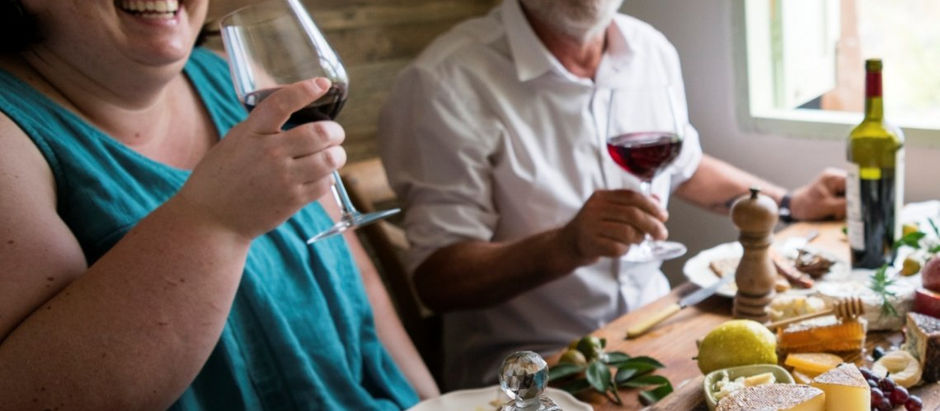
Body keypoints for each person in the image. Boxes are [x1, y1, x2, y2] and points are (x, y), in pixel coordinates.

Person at [379, 0, 846, 389]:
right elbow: (438, 281)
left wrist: (790, 202)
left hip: (656, 328)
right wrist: (566, 245)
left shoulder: (650, 49)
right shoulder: (444, 82)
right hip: (532, 370)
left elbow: (684, 167)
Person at [0, 0, 439, 409]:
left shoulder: (235, 75)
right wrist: (214, 222)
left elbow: (357, 275)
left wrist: (429, 400)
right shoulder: (10, 139)